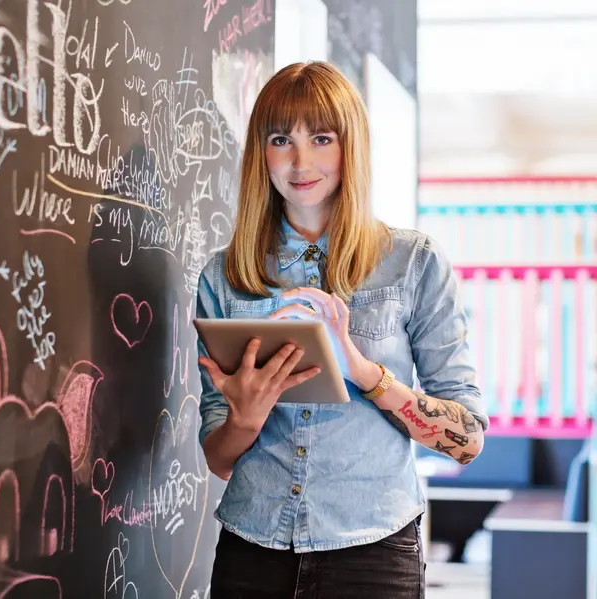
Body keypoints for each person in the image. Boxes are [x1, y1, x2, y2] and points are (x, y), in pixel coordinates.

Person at [195, 61, 489, 599]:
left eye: (322, 138)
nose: (300, 161)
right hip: (252, 547)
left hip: (373, 551)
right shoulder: (226, 275)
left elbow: (467, 439)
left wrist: (357, 367)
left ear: (349, 148)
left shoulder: (412, 263)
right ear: (261, 153)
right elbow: (218, 458)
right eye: (281, 139)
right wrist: (247, 414)